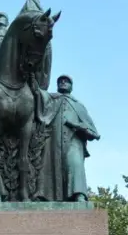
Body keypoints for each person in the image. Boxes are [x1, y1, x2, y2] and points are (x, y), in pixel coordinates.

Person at [36, 74, 100, 202]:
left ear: (71, 86)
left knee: (75, 165)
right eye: (60, 81)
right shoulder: (51, 99)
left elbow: (94, 133)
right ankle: (43, 195)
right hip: (52, 141)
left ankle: (79, 194)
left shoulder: (78, 106)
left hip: (73, 141)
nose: (63, 82)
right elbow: (36, 93)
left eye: (67, 81)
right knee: (47, 165)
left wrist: (76, 125)